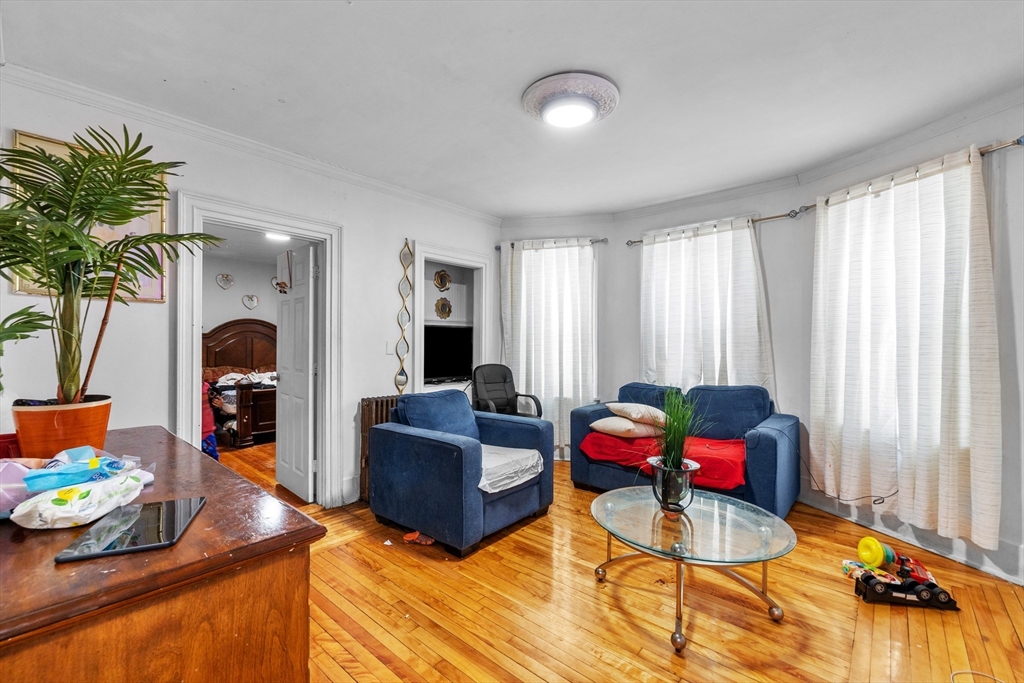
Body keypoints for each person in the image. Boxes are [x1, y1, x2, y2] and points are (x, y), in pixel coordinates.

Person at [201, 381, 223, 460]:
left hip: (208, 433)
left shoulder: (208, 388)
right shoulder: (187, 389)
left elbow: (215, 406)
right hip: (192, 434)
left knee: (212, 462)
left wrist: (219, 404)